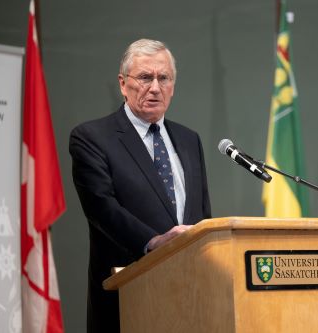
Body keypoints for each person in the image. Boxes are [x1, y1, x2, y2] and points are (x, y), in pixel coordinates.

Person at [69, 39, 211, 333]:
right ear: (123, 84)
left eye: (164, 78)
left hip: (192, 298)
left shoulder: (189, 140)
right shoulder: (92, 138)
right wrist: (154, 242)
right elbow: (102, 209)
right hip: (127, 298)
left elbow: (201, 215)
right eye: (145, 77)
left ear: (173, 85)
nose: (155, 87)